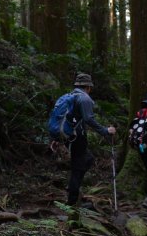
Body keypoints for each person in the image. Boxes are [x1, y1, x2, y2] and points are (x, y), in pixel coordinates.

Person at [50, 73, 116, 206]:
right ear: (88, 87)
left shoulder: (69, 96)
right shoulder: (84, 98)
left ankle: (73, 189)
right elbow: (88, 119)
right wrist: (105, 131)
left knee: (85, 161)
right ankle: (72, 200)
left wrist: (57, 138)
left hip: (70, 136)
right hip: (77, 136)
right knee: (80, 165)